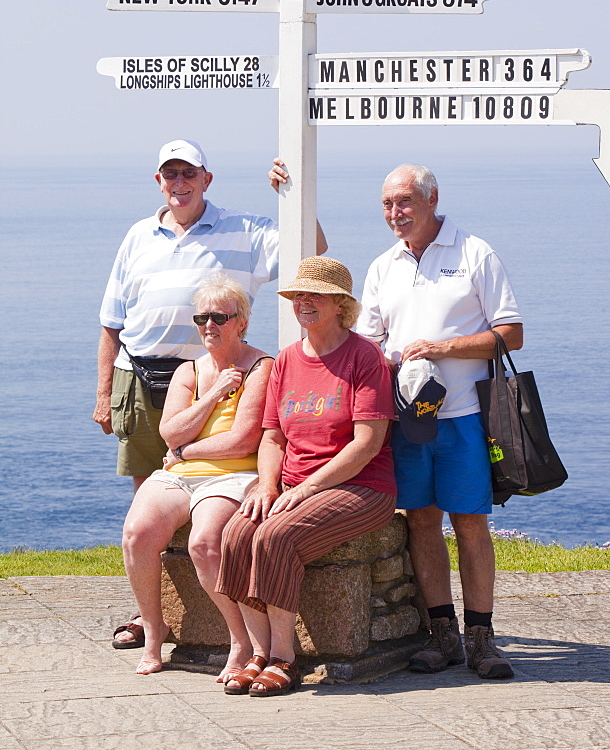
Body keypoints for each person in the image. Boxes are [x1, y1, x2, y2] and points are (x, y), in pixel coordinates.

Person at [96, 139, 326, 649]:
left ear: (206, 179)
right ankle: (149, 613)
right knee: (149, 501)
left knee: (197, 490)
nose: (178, 184)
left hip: (215, 372)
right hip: (142, 374)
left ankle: (208, 618)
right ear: (159, 181)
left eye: (188, 174)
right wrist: (104, 390)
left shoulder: (244, 228)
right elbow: (112, 322)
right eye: (169, 175)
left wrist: (290, 196)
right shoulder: (139, 235)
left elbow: (312, 251)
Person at [357, 164, 523, 680]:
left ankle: (483, 637)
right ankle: (442, 634)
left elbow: (511, 333)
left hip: (464, 416)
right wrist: (386, 359)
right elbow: (369, 340)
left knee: (470, 523)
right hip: (409, 419)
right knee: (422, 520)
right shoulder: (383, 265)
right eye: (387, 204)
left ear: (432, 199)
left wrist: (443, 348)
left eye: (404, 202)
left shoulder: (475, 253)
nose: (395, 214)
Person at [215, 257, 396, 696]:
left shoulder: (364, 357)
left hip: (361, 487)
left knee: (276, 536)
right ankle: (259, 653)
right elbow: (272, 437)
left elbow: (366, 444)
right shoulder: (286, 361)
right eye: (298, 294)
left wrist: (310, 488)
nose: (303, 302)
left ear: (339, 304)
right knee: (237, 533)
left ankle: (284, 659)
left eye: (314, 294)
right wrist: (267, 485)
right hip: (293, 485)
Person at [121, 274, 273, 674]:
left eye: (220, 318)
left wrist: (184, 449)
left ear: (241, 321)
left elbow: (242, 440)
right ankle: (154, 630)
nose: (209, 325)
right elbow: (168, 430)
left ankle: (240, 642)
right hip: (181, 474)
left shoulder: (261, 366)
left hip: (233, 475)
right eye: (202, 317)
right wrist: (212, 394)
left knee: (205, 544)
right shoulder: (190, 370)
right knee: (137, 534)